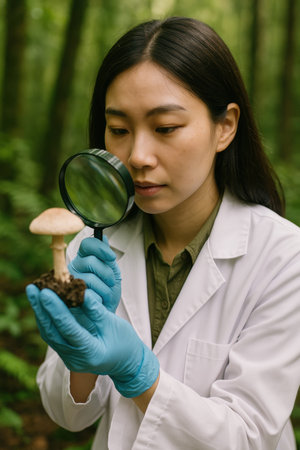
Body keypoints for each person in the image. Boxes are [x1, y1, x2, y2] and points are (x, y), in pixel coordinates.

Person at [26, 17, 300, 450]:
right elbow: (67, 415)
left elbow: (249, 437)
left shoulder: (285, 257)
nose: (137, 156)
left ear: (225, 126)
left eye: (165, 128)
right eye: (118, 130)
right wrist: (81, 357)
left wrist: (139, 372)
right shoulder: (93, 247)